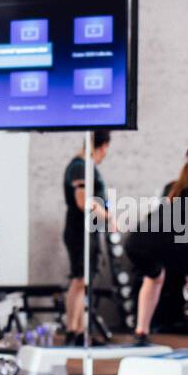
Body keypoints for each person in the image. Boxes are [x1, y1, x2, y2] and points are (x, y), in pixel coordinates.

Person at [126, 141, 188, 352]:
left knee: (154, 276)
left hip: (138, 241)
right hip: (175, 243)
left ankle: (141, 332)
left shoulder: (171, 186)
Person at [61, 130, 113, 345]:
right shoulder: (79, 167)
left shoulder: (87, 167)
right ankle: (72, 330)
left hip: (87, 230)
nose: (104, 156)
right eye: (105, 151)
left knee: (83, 280)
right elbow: (83, 202)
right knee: (79, 279)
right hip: (79, 231)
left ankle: (81, 332)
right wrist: (109, 217)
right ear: (100, 147)